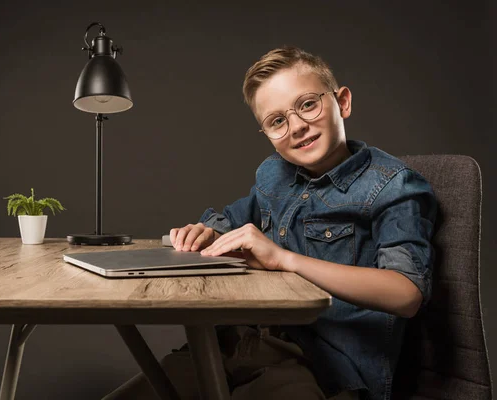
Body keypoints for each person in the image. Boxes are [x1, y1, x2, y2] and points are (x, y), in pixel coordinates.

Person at [104, 46, 437, 400]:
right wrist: (209, 232)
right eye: (277, 121)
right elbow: (232, 220)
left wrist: (284, 259)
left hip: (325, 368)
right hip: (240, 344)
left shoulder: (393, 186)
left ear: (342, 102)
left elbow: (407, 293)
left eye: (308, 104)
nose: (296, 127)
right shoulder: (275, 174)